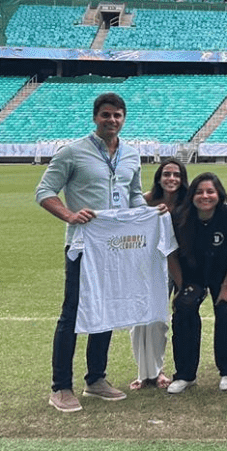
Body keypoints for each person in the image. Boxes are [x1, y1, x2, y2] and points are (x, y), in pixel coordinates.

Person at [37, 92, 146, 412]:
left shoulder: (131, 155)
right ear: (95, 117)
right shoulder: (72, 152)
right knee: (72, 313)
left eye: (118, 115)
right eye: (106, 115)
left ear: (124, 118)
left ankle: (95, 379)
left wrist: (152, 215)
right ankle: (60, 387)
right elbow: (44, 192)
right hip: (83, 246)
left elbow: (135, 197)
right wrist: (69, 215)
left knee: (107, 311)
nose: (112, 120)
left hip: (117, 247)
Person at [166, 173, 227, 394]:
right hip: (191, 273)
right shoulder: (180, 216)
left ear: (218, 194)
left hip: (224, 272)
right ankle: (185, 374)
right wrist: (182, 287)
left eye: (210, 191)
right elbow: (171, 254)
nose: (205, 196)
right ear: (192, 195)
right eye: (200, 192)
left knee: (226, 309)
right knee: (184, 310)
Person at [129, 157, 188, 390]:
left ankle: (158, 371)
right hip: (145, 267)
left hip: (176, 266)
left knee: (159, 320)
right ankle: (143, 373)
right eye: (166, 174)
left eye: (176, 175)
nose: (171, 179)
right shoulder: (144, 201)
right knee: (139, 321)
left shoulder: (187, 203)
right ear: (159, 177)